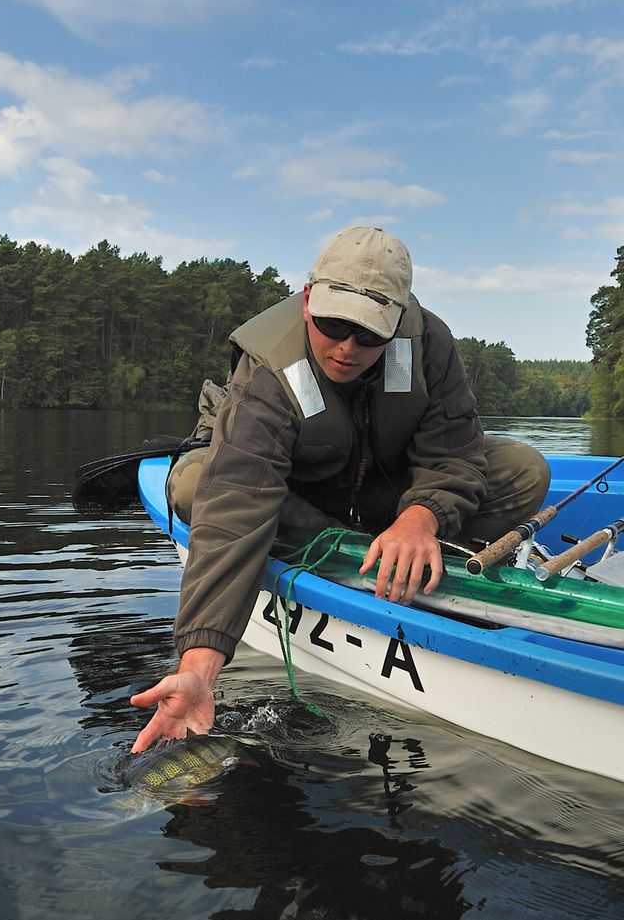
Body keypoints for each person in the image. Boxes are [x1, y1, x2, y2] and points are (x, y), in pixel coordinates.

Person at [131, 225, 550, 752]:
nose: (348, 348)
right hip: (299, 501)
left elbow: (454, 453)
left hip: (386, 495)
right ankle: (363, 555)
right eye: (333, 325)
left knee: (525, 470)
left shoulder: (430, 344)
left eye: (370, 335)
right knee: (198, 487)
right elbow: (238, 500)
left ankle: (408, 551)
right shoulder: (269, 371)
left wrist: (421, 517)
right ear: (308, 300)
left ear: (397, 323)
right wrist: (198, 669)